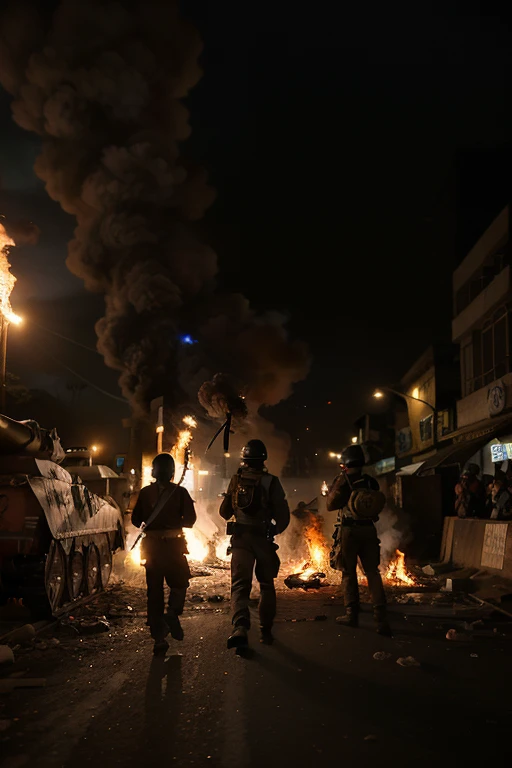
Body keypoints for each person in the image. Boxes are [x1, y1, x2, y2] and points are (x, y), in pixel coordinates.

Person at [219, 439, 290, 649]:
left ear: (244, 460)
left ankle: (240, 627)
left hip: (241, 541)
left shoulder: (236, 480)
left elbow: (224, 513)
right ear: (263, 460)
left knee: (240, 587)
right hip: (263, 540)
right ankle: (265, 632)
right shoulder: (271, 481)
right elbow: (283, 517)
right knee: (267, 586)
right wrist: (272, 530)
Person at [131, 453, 196, 655]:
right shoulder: (180, 492)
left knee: (154, 592)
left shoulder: (145, 492)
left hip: (151, 548)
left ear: (154, 471)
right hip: (174, 547)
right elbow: (190, 520)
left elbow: (135, 520)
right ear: (171, 472)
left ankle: (159, 638)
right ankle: (173, 613)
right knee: (180, 583)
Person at [325, 444, 391, 636]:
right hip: (369, 530)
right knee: (373, 573)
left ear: (345, 462)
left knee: (348, 573)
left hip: (350, 531)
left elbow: (330, 504)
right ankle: (381, 619)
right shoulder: (370, 481)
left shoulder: (343, 480)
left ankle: (351, 614)